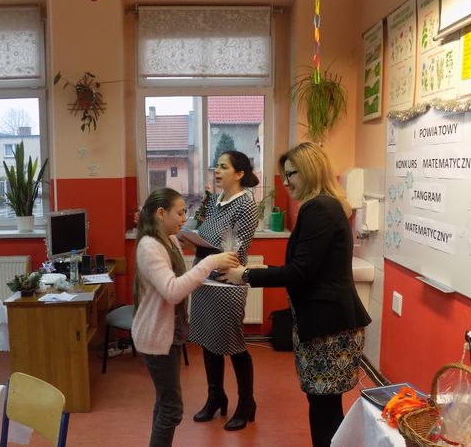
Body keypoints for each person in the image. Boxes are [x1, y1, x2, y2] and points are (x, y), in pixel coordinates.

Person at [220, 142, 371, 446]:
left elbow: (300, 272)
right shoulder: (327, 205)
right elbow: (306, 268)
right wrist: (253, 271)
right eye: (285, 175)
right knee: (325, 407)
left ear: (311, 171)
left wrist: (245, 275)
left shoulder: (319, 208)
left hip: (328, 329)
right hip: (328, 325)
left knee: (324, 410)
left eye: (292, 174)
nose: (286, 182)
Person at [131, 187, 239, 447]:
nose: (184, 218)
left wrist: (208, 268)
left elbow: (180, 279)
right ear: (161, 213)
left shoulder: (168, 239)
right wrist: (210, 262)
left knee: (164, 402)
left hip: (171, 333)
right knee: (172, 410)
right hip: (157, 338)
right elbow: (172, 291)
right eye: (179, 213)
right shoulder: (149, 247)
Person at [182, 150, 260, 431]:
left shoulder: (246, 204)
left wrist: (206, 248)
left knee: (234, 345)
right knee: (208, 341)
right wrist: (193, 239)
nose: (216, 170)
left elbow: (237, 249)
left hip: (227, 281)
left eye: (223, 167)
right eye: (216, 166)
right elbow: (207, 235)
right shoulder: (215, 201)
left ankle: (246, 403)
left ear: (239, 174)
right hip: (204, 277)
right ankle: (216, 396)